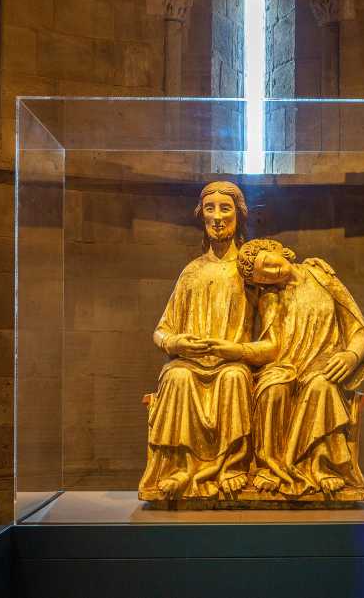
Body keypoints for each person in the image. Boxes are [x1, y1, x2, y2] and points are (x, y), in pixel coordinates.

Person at [138, 181, 268, 500]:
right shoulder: (191, 273)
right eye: (210, 209)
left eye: (226, 209)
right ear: (202, 216)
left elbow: (273, 336)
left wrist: (237, 351)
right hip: (190, 363)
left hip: (233, 363)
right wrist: (177, 344)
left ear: (239, 216)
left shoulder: (249, 272)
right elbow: (161, 331)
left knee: (234, 377)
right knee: (177, 376)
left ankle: (232, 466)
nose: (217, 217)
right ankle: (182, 466)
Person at [231, 238, 364, 497]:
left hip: (323, 365)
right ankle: (271, 466)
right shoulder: (270, 299)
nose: (272, 272)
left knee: (322, 385)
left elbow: (358, 330)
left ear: (277, 250)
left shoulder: (322, 277)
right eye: (263, 276)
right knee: (273, 387)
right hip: (285, 364)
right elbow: (272, 347)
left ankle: (322, 468)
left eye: (268, 263)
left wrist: (351, 355)